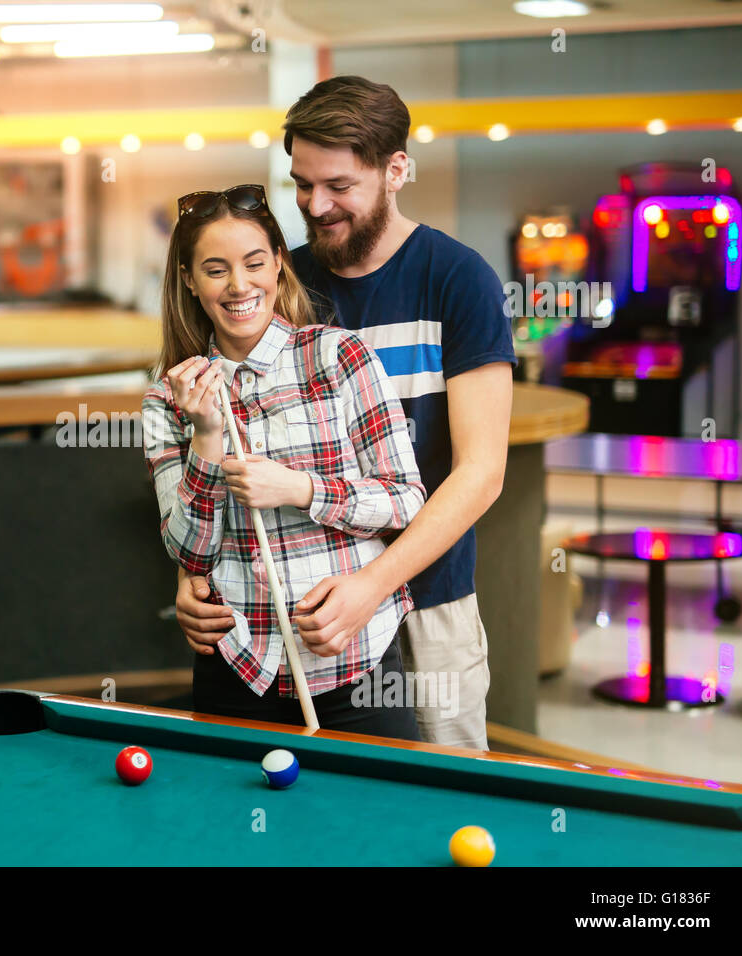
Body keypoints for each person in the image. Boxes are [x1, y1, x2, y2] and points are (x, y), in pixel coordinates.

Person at [174, 76, 516, 750]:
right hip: (297, 616)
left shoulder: (457, 279)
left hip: (429, 601)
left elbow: (481, 473)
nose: (316, 205)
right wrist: (190, 576)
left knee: (441, 804)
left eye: (338, 185)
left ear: (396, 170)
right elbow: (222, 442)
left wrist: (371, 585)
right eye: (302, 184)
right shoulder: (280, 281)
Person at [142, 183, 427, 738]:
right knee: (230, 823)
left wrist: (300, 488)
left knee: (379, 821)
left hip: (357, 660)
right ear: (189, 280)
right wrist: (206, 436)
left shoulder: (339, 356)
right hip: (237, 668)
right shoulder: (167, 395)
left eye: (254, 263)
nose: (239, 285)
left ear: (278, 264)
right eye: (215, 269)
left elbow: (405, 499)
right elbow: (188, 552)